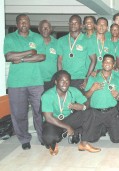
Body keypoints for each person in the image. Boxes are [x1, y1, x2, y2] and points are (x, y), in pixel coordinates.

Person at [4, 14, 45, 150]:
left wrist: (20, 59)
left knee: (39, 111)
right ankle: (24, 139)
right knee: (19, 113)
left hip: (36, 82)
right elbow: (9, 56)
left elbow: (41, 56)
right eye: (21, 22)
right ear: (17, 25)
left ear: (29, 23)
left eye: (26, 21)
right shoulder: (10, 38)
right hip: (16, 83)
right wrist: (29, 52)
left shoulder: (37, 37)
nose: (24, 24)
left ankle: (42, 137)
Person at [41, 70, 101, 155]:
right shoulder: (47, 95)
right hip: (53, 122)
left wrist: (82, 106)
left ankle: (83, 144)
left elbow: (86, 102)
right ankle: (54, 142)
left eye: (67, 81)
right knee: (49, 138)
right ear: (56, 82)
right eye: (62, 81)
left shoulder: (73, 91)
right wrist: (68, 127)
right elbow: (48, 118)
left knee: (89, 112)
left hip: (68, 119)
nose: (65, 83)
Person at [85, 54, 119, 143]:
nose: (107, 63)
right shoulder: (93, 77)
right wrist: (92, 89)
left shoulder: (117, 79)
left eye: (110, 62)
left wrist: (117, 96)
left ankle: (105, 127)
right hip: (96, 113)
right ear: (102, 64)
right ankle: (102, 128)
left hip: (111, 112)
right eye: (105, 61)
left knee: (117, 140)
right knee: (91, 139)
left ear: (113, 65)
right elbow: (85, 96)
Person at [57, 14, 97, 93]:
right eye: (71, 23)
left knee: (80, 104)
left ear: (81, 25)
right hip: (65, 79)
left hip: (81, 79)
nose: (73, 25)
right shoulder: (61, 40)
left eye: (76, 23)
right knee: (66, 103)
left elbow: (94, 60)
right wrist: (59, 77)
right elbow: (59, 60)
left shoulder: (87, 40)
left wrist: (87, 78)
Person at [38, 20, 58, 91]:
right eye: (43, 27)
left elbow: (61, 61)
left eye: (47, 27)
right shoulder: (34, 42)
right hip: (36, 80)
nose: (45, 29)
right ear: (39, 29)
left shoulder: (57, 43)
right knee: (37, 101)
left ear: (51, 29)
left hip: (53, 80)